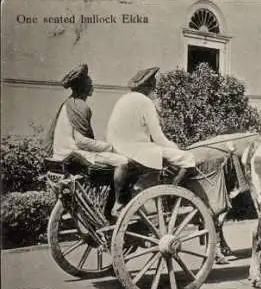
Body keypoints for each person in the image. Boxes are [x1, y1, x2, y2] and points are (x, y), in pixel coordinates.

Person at [107, 67, 196, 214]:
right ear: (148, 86)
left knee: (158, 158)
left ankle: (142, 189)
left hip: (116, 147)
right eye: (153, 84)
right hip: (135, 149)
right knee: (188, 158)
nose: (155, 87)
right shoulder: (146, 102)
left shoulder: (123, 99)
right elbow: (158, 137)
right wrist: (176, 148)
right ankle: (169, 197)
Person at [44, 64, 130, 215]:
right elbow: (81, 141)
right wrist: (109, 147)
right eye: (90, 83)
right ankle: (117, 205)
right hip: (74, 155)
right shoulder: (81, 106)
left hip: (61, 154)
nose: (93, 86)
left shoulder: (68, 104)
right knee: (123, 162)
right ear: (84, 87)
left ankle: (107, 209)